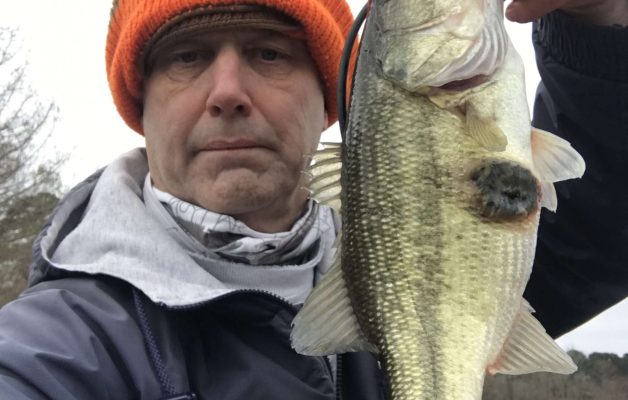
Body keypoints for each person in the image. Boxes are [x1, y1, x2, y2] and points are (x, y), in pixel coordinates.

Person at [0, 0, 625, 398]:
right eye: (187, 57)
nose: (227, 91)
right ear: (141, 106)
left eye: (268, 53)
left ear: (328, 96)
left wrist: (599, 24)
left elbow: (605, 222)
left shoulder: (413, 259)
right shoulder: (51, 354)